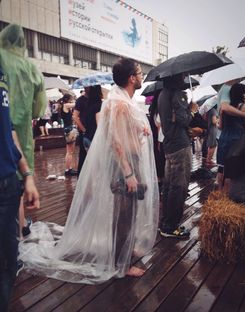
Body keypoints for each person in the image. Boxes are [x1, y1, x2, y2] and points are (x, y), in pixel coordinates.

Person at [19, 57, 159, 282]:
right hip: (123, 166)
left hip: (129, 163)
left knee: (129, 211)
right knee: (123, 214)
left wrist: (139, 130)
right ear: (132, 78)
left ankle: (125, 250)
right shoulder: (119, 103)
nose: (142, 76)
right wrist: (128, 172)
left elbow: (123, 132)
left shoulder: (122, 101)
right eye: (140, 72)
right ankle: (120, 265)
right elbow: (114, 139)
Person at [0, 24, 46, 237]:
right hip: (23, 140)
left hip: (3, 134)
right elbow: (39, 109)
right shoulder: (32, 69)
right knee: (17, 193)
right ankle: (16, 246)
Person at [0, 68, 40, 312]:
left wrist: (26, 173)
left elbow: (8, 129)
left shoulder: (3, 73)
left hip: (7, 183)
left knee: (8, 264)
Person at [158, 75, 192, 238]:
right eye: (183, 75)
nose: (184, 78)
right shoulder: (177, 94)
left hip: (169, 144)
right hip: (180, 145)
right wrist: (191, 111)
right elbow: (184, 120)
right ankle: (171, 226)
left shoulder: (162, 94)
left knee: (169, 185)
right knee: (179, 186)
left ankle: (165, 222)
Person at [217, 83, 245, 191]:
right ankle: (228, 198)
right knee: (232, 171)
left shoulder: (224, 109)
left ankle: (220, 195)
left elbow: (220, 126)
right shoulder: (244, 107)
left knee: (221, 168)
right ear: (242, 94)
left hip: (223, 139)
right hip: (237, 141)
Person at [59, 94, 78, 176]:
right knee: (69, 152)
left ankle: (69, 168)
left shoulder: (65, 106)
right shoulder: (66, 105)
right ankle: (67, 170)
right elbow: (77, 104)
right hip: (69, 130)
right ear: (68, 99)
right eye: (71, 98)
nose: (72, 100)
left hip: (68, 129)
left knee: (70, 151)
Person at [73, 88, 89, 176]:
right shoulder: (80, 100)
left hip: (94, 131)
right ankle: (81, 177)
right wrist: (83, 129)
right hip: (85, 133)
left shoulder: (95, 99)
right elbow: (75, 116)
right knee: (83, 156)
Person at [81, 85, 103, 152]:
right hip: (94, 139)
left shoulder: (87, 104)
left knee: (90, 162)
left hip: (86, 138)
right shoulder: (99, 105)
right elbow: (99, 125)